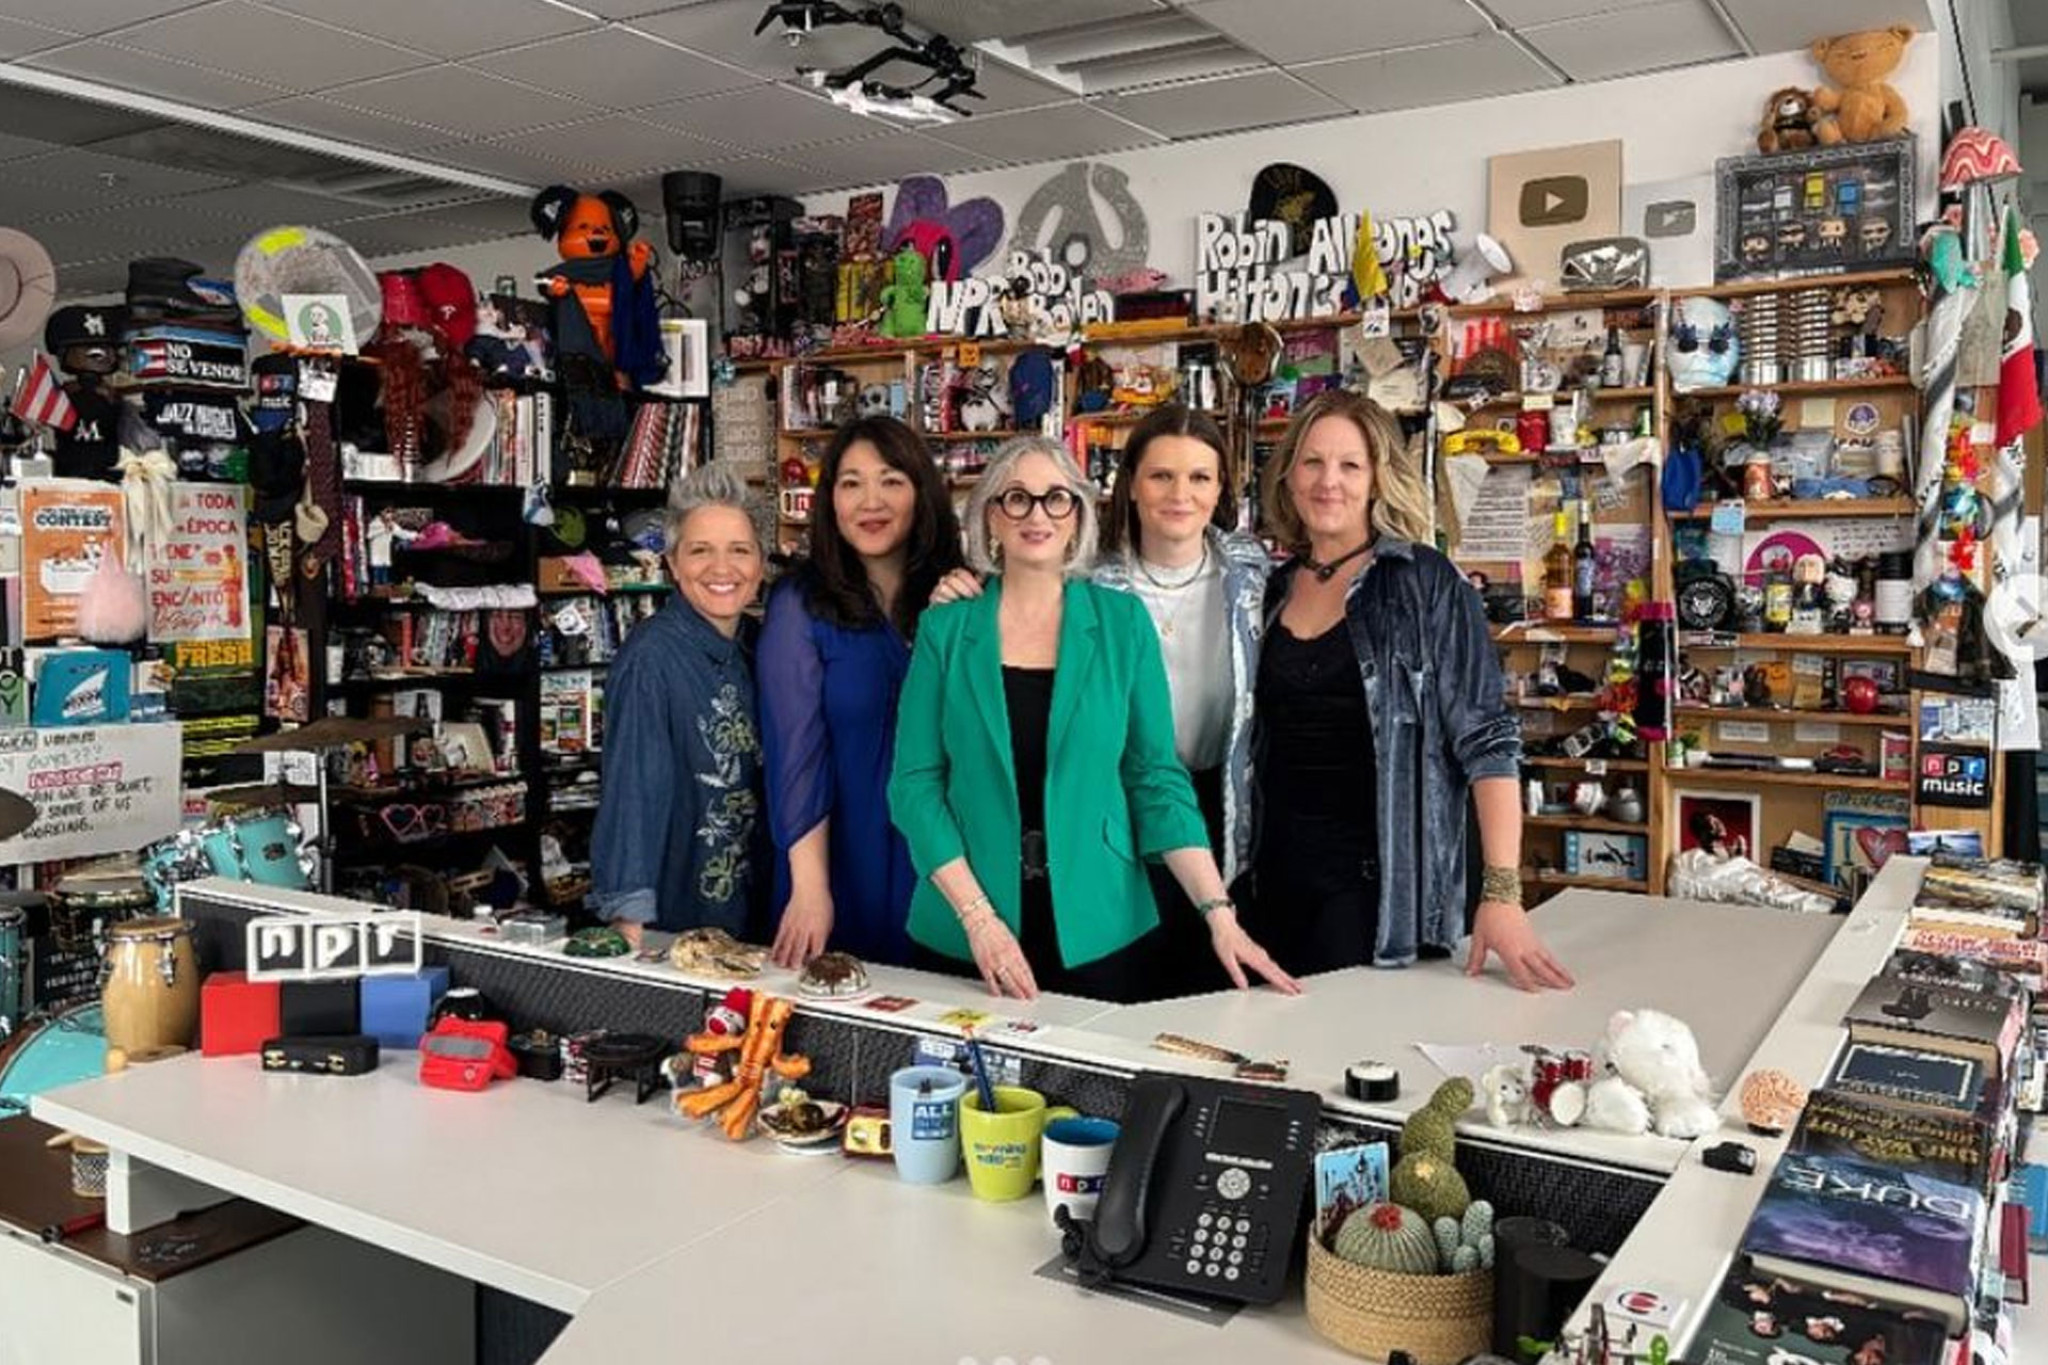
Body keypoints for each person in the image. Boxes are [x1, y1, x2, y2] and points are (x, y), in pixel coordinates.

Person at [888, 436, 1299, 1003]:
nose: (1037, 515)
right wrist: (978, 919)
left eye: (1057, 498)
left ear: (1078, 515)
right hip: (962, 928)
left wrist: (1218, 913)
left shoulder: (1121, 623)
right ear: (990, 518)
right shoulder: (946, 629)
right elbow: (914, 786)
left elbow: (1155, 777)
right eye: (1017, 499)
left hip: (1100, 928)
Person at [1250, 389, 1572, 991]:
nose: (1329, 481)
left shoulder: (1424, 581)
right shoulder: (1269, 592)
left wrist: (1501, 893)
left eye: (1351, 464)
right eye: (1313, 462)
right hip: (1273, 881)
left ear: (1377, 479)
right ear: (1289, 475)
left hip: (1383, 892)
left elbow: (1488, 740)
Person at [759, 417, 963, 969]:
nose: (870, 501)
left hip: (942, 856)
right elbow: (795, 754)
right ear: (830, 501)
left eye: (891, 480)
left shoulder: (961, 594)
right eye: (851, 483)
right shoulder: (799, 604)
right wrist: (809, 887)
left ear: (922, 491)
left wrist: (965, 621)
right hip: (838, 855)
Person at [590, 463, 767, 947]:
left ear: (760, 563)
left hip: (757, 922)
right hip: (675, 928)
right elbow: (633, 794)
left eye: (739, 550)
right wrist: (630, 926)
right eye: (700, 551)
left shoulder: (762, 647)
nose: (722, 569)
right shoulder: (651, 659)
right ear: (671, 563)